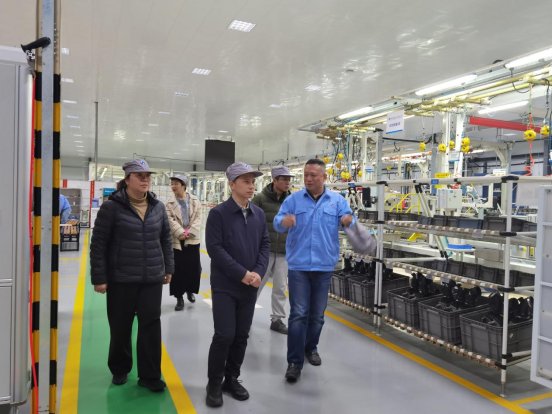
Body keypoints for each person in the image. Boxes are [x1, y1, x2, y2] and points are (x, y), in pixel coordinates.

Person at [90, 159, 174, 392]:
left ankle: (150, 375)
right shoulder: (111, 208)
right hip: (121, 278)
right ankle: (120, 368)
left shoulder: (158, 207)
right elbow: (98, 245)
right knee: (120, 326)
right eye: (140, 176)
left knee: (151, 326)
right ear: (127, 179)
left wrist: (168, 268)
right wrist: (99, 278)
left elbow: (166, 239)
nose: (145, 180)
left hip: (151, 278)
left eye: (148, 176)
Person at [274, 158, 353, 383]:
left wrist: (349, 220)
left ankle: (311, 348)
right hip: (299, 265)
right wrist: (284, 222)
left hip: (324, 265)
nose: (308, 179)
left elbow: (350, 221)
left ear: (324, 177)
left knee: (317, 315)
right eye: (306, 175)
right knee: (298, 313)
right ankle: (294, 362)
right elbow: (278, 222)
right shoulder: (293, 200)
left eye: (313, 175)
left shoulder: (337, 201)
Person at [205, 162, 270, 408]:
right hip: (225, 286)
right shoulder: (219, 214)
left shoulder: (258, 214)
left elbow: (265, 245)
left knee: (241, 335)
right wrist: (242, 273)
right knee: (224, 335)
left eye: (253, 182)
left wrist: (258, 272)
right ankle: (214, 383)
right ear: (232, 184)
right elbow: (215, 249)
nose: (251, 186)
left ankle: (231, 379)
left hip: (250, 286)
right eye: (245, 181)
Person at [251, 165, 293, 334]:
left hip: (284, 251)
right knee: (256, 284)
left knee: (280, 287)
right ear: (274, 180)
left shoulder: (291, 201)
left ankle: (277, 319)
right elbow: (250, 223)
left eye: (289, 180)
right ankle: (245, 315)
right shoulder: (260, 199)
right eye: (284, 179)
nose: (288, 182)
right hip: (264, 252)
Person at [165, 174, 202, 311]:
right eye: (172, 184)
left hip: (192, 239)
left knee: (194, 269)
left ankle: (190, 290)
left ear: (184, 185)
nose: (173, 186)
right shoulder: (169, 204)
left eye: (176, 183)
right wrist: (181, 233)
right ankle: (179, 297)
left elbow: (198, 218)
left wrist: (190, 232)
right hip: (177, 240)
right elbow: (170, 220)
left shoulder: (195, 201)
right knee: (178, 270)